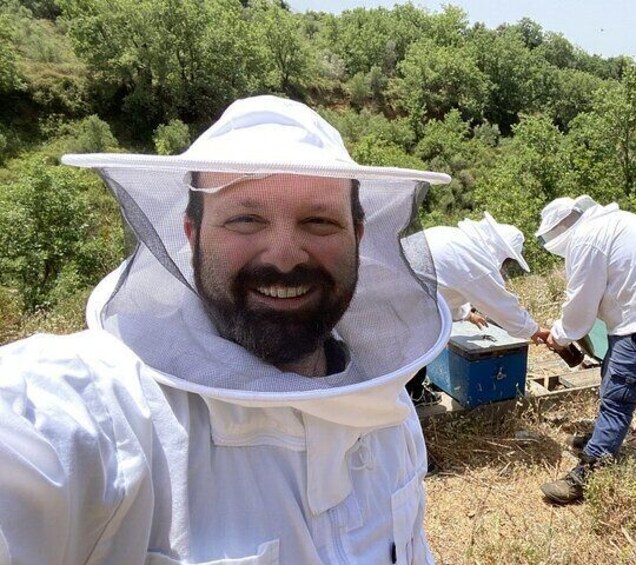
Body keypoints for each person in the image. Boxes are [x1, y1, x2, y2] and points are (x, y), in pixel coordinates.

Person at [0, 96, 454, 563]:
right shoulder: (104, 411)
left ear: (357, 236)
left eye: (319, 221)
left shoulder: (385, 402)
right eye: (244, 220)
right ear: (191, 234)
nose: (283, 257)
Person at [535, 195, 636, 504]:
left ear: (561, 230)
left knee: (618, 396)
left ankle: (590, 472)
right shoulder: (619, 221)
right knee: (613, 377)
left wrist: (560, 337)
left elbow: (580, 304)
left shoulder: (587, 239)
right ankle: (600, 438)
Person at [405, 215, 549, 406]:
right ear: (502, 252)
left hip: (393, 300)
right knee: (410, 357)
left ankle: (410, 395)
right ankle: (406, 401)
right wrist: (534, 330)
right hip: (399, 309)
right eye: (507, 262)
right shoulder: (474, 258)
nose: (505, 267)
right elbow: (503, 306)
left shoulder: (453, 238)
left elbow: (442, 291)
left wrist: (467, 314)